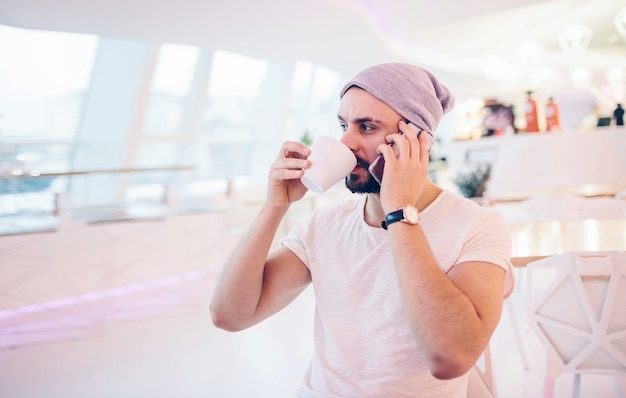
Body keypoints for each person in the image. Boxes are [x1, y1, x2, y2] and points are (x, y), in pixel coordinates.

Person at [210, 63, 514, 397]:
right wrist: (274, 206)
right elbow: (229, 315)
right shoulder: (323, 225)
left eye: (366, 127)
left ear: (418, 140)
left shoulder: (478, 227)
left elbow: (450, 358)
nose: (346, 142)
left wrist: (399, 212)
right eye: (343, 125)